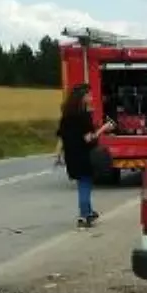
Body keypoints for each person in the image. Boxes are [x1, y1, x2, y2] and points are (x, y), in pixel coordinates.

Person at [55, 83, 113, 228]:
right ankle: (84, 215)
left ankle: (88, 212)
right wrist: (103, 128)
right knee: (85, 184)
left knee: (82, 183)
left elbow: (61, 137)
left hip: (71, 156)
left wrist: (58, 155)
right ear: (83, 97)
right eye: (89, 95)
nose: (92, 97)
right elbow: (89, 138)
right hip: (84, 155)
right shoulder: (84, 117)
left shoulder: (66, 116)